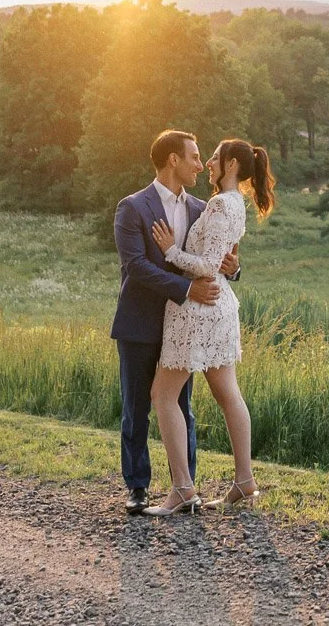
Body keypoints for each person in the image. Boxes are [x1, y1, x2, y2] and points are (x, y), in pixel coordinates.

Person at [109, 130, 240, 515]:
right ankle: (137, 486)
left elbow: (217, 258)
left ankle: (186, 486)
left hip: (184, 323)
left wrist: (233, 269)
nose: (201, 165)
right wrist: (186, 289)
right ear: (172, 160)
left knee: (181, 405)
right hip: (141, 320)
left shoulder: (203, 208)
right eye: (195, 157)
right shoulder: (132, 207)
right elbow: (136, 266)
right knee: (137, 405)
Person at [144, 137, 274, 516]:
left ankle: (183, 489)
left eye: (215, 158)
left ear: (232, 164)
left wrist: (170, 251)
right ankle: (244, 481)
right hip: (220, 309)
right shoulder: (236, 204)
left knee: (163, 395)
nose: (209, 165)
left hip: (200, 310)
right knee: (227, 393)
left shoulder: (220, 204)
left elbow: (209, 263)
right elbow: (223, 261)